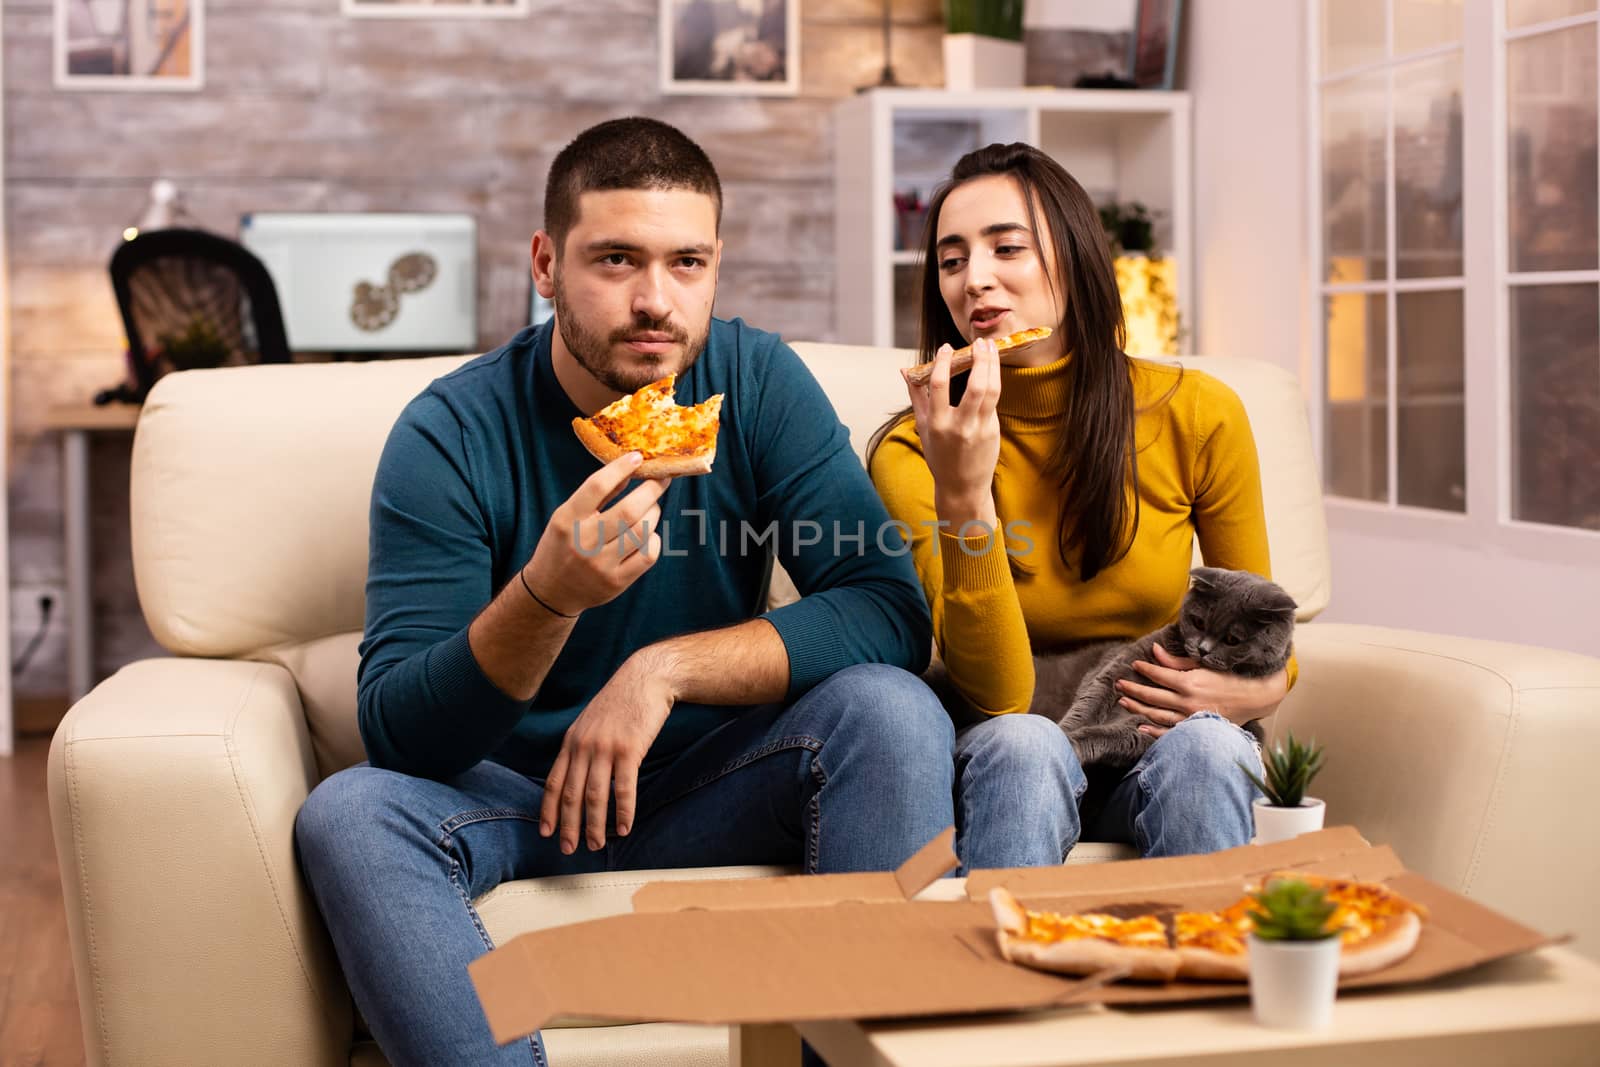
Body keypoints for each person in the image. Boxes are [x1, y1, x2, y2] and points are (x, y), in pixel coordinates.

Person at [294, 117, 957, 1067]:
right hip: (520, 801)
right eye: (615, 260)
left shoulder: (755, 383)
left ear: (718, 266)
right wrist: (546, 596)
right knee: (350, 813)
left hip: (710, 783)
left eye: (687, 262)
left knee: (892, 710)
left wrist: (663, 672)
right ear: (545, 264)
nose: (656, 302)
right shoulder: (449, 432)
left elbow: (888, 608)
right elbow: (399, 729)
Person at [869, 142, 1296, 869]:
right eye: (950, 260)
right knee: (1026, 743)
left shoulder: (1198, 412)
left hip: (1154, 744)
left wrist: (1244, 695)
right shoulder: (911, 449)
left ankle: (1208, 974)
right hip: (1007, 752)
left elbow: (1265, 633)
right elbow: (999, 697)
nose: (976, 281)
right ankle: (1009, 982)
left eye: (1008, 248)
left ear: (1074, 256)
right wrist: (965, 491)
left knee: (1210, 747)